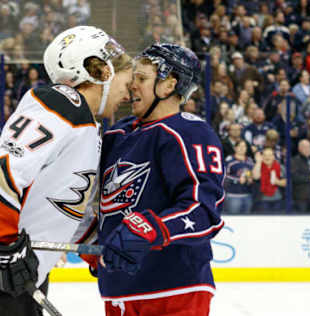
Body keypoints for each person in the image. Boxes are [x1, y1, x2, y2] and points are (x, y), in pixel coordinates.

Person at [0, 25, 133, 316]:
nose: (131, 87)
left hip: (20, 264)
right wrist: (4, 245)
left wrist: (96, 249)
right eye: (125, 72)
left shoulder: (85, 126)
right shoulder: (62, 104)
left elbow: (65, 203)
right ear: (99, 71)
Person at [93, 43, 225, 316]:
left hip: (174, 290)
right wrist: (96, 240)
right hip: (119, 290)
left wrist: (151, 228)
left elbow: (202, 212)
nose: (132, 85)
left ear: (168, 86)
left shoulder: (188, 132)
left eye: (142, 79)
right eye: (133, 78)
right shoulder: (116, 136)